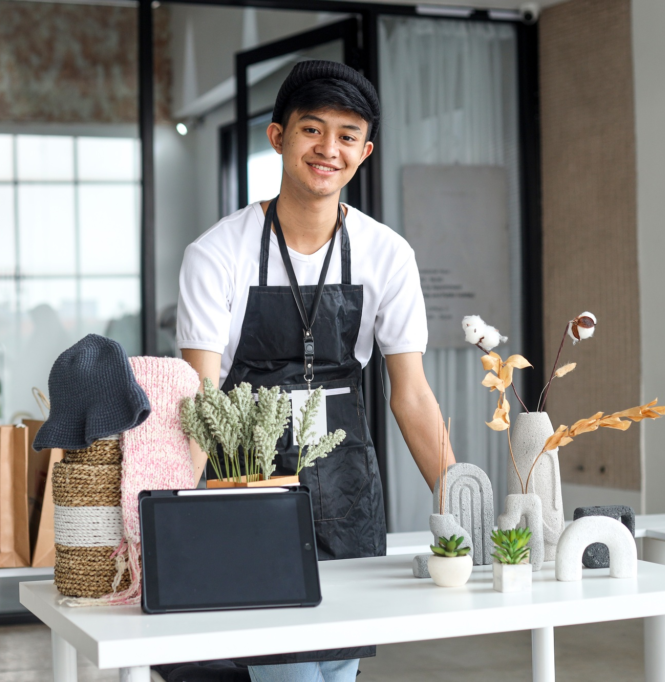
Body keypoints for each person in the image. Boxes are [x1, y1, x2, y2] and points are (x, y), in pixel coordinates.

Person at [176, 60, 456, 682]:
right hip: (248, 485)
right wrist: (165, 514)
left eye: (348, 135)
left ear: (365, 151)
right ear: (278, 137)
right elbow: (198, 401)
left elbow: (411, 396)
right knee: (288, 669)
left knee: (339, 668)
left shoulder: (388, 254)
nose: (329, 149)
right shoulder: (217, 254)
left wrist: (461, 498)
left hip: (348, 482)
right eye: (312, 130)